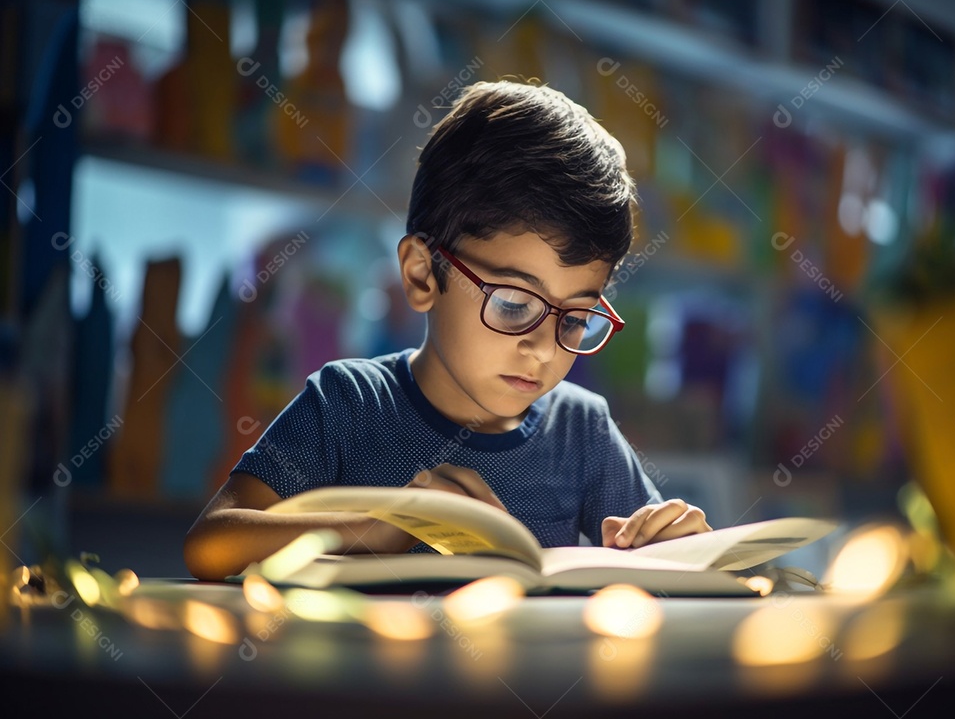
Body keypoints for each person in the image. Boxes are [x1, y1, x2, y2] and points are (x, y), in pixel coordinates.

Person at [183, 80, 711, 582]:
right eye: (511, 304)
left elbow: (663, 571)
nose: (544, 349)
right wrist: (384, 526)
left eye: (574, 319)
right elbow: (211, 545)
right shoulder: (350, 404)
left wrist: (685, 552)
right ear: (421, 273)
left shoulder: (582, 431)